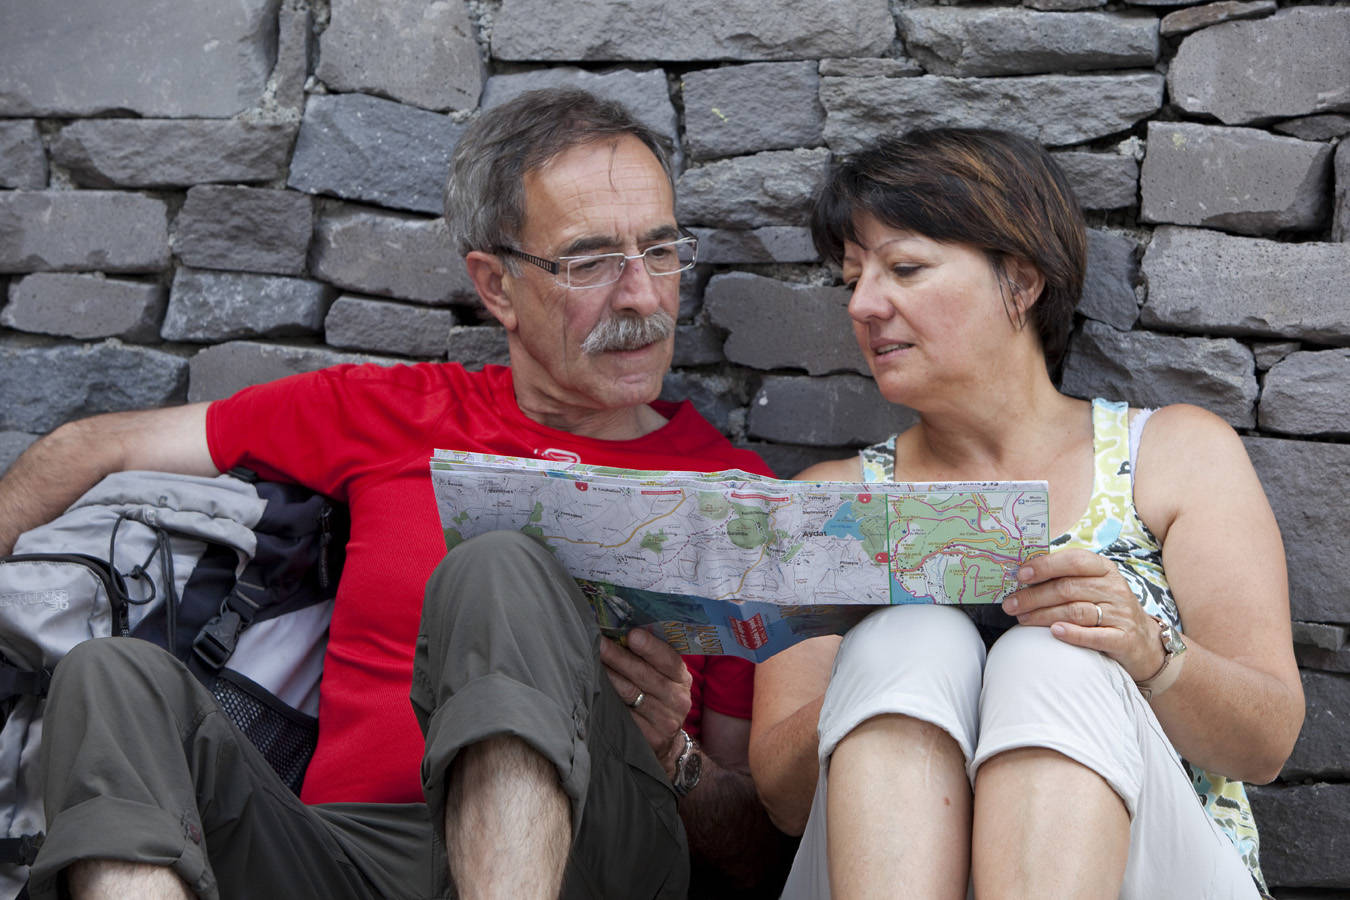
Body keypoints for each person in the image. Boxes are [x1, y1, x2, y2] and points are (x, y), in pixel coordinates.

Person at [0, 88, 786, 900]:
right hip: (350, 860)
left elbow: (758, 855)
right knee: (108, 678)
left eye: (660, 251)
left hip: (586, 850)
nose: (644, 297)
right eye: (590, 262)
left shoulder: (736, 503)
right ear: (497, 285)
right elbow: (91, 446)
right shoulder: (394, 411)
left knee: (499, 566)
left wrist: (674, 756)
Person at [748, 129, 1304, 900]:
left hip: (1157, 870)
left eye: (904, 268)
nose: (864, 305)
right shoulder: (834, 503)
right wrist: (876, 662)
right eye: (853, 279)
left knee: (1059, 653)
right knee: (910, 638)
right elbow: (782, 802)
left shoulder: (1173, 454)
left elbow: (1266, 743)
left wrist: (1147, 652)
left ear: (1021, 279)